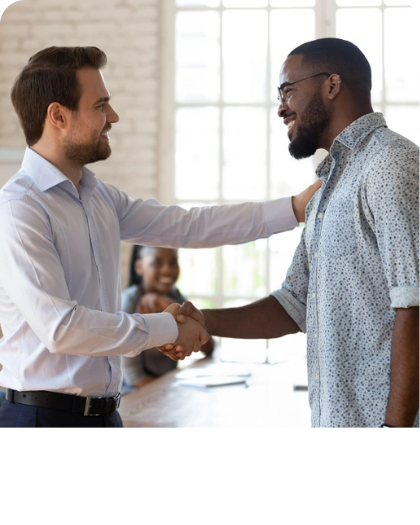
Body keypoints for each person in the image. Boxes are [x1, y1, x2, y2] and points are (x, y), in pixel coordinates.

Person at [0, 46, 320, 428]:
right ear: (58, 116)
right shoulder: (20, 208)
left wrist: (295, 208)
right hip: (40, 419)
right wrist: (169, 328)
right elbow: (62, 328)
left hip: (105, 415)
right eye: (100, 106)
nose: (113, 117)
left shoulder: (100, 197)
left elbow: (189, 226)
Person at [174, 38, 420, 429]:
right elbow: (293, 304)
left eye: (288, 90)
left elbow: (415, 306)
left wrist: (395, 427)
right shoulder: (327, 189)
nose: (281, 107)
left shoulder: (391, 165)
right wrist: (203, 320)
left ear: (332, 85)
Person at [121, 245, 214, 391]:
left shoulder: (175, 296)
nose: (167, 270)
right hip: (134, 395)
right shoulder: (130, 301)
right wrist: (171, 390)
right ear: (139, 267)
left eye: (173, 262)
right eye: (157, 263)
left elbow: (208, 345)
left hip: (165, 387)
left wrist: (169, 305)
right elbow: (133, 377)